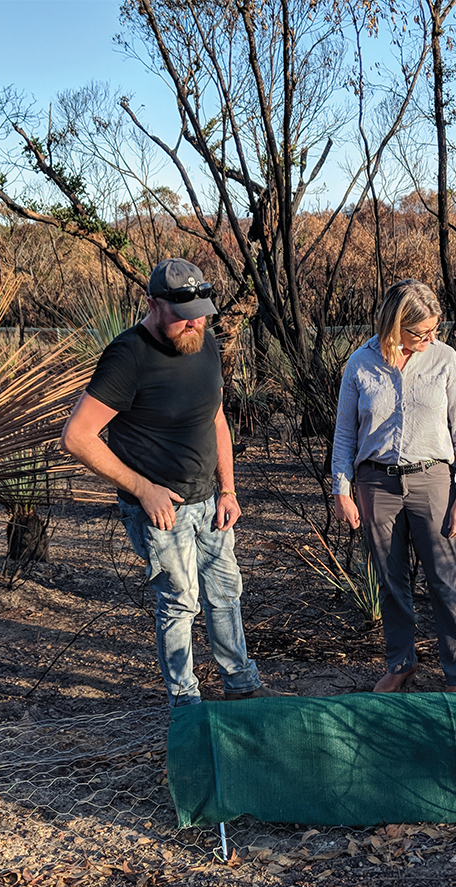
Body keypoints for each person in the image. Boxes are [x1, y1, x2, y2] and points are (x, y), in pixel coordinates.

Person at [60, 258, 281, 706]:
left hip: (210, 502)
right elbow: (77, 436)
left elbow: (216, 417)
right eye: (184, 313)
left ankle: (241, 684)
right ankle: (185, 703)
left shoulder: (206, 342)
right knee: (181, 602)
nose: (195, 321)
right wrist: (143, 489)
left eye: (202, 310)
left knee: (225, 593)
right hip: (162, 509)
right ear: (153, 304)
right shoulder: (128, 356)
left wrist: (228, 489)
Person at [331, 278, 456, 693]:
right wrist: (341, 490)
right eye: (422, 332)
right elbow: (344, 433)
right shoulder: (360, 365)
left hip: (433, 479)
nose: (431, 339)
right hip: (375, 483)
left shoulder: (444, 360)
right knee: (390, 581)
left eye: (435, 330)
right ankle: (401, 662)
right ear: (395, 325)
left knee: (446, 578)